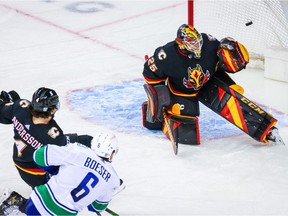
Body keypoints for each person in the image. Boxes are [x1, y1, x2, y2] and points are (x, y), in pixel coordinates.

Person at [142, 24, 283, 153]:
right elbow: (149, 73)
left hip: (208, 83)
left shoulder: (208, 42)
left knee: (233, 100)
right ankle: (159, 117)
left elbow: (219, 64)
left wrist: (228, 81)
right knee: (187, 134)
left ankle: (266, 130)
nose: (197, 45)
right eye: (192, 43)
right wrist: (160, 96)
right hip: (182, 93)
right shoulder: (166, 54)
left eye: (197, 41)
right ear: (181, 44)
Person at [0, 132, 121, 215]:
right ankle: (16, 202)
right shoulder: (113, 179)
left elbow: (39, 156)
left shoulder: (78, 150)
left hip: (38, 202)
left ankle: (16, 201)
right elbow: (97, 207)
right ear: (112, 152)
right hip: (65, 213)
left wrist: (55, 170)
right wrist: (92, 198)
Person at [0, 87, 93, 188]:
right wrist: (89, 140)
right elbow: (69, 145)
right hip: (36, 174)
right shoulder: (52, 134)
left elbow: (3, 112)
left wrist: (7, 103)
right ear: (52, 109)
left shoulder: (20, 106)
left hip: (19, 161)